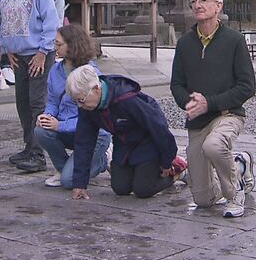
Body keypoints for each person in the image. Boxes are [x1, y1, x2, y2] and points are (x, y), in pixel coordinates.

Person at [170, 0, 256, 217]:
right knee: (203, 199)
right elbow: (176, 84)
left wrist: (210, 102)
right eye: (193, 1)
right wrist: (190, 103)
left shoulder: (234, 41)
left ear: (218, 6)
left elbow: (247, 87)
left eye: (203, 1)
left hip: (227, 114)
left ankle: (235, 193)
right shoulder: (185, 44)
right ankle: (239, 165)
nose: (197, 5)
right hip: (198, 121)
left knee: (214, 145)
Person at [67, 65, 186, 200]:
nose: (80, 106)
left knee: (142, 189)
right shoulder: (87, 107)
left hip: (148, 142)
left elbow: (158, 127)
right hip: (123, 144)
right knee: (120, 188)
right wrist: (80, 184)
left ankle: (177, 170)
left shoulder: (127, 99)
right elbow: (84, 142)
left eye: (81, 100)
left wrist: (167, 160)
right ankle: (141, 171)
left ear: (95, 89)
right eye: (76, 102)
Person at [0, 0, 59, 172]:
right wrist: (7, 49)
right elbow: (6, 18)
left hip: (38, 53)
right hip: (18, 54)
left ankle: (38, 152)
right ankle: (28, 145)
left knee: (38, 103)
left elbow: (50, 19)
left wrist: (44, 51)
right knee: (22, 103)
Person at [25, 24, 111, 185]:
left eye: (58, 44)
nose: (54, 47)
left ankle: (102, 160)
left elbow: (92, 117)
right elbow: (52, 101)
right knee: (41, 130)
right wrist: (47, 116)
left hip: (93, 134)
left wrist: (60, 125)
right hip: (67, 129)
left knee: (69, 182)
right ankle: (64, 168)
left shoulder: (90, 73)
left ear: (72, 45)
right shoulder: (56, 70)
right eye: (54, 43)